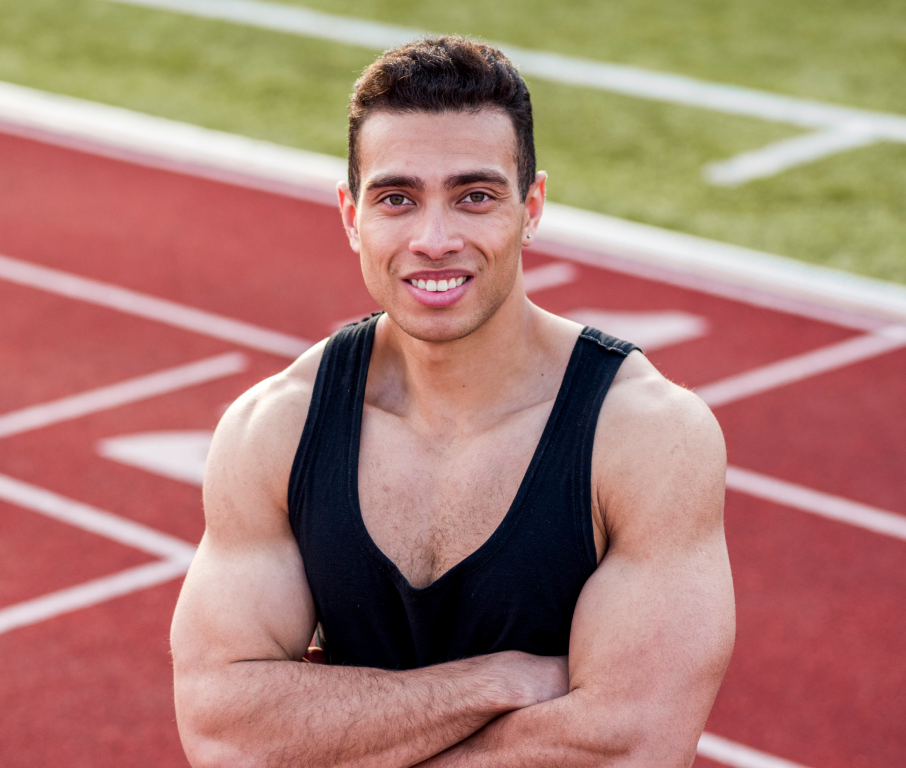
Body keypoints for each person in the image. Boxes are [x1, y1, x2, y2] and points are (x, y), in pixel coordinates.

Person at [170, 35, 735, 768]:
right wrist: (493, 682)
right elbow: (224, 733)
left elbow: (627, 748)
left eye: (474, 196)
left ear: (531, 208)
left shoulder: (647, 437)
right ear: (351, 217)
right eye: (397, 199)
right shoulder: (276, 428)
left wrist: (337, 737)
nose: (435, 239)